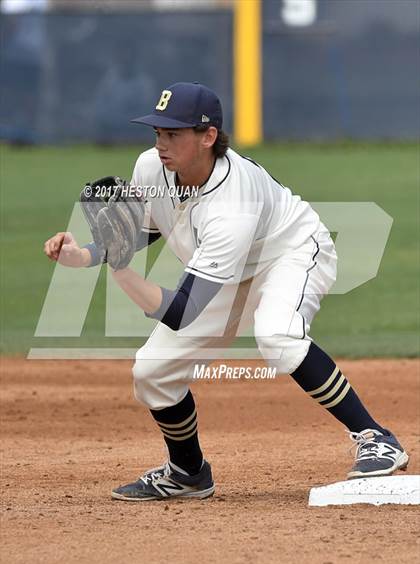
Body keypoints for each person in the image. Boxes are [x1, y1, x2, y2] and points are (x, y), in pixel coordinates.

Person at [44, 82, 409, 501]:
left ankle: (377, 438)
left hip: (287, 252)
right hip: (223, 269)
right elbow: (142, 229)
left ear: (208, 136)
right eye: (158, 133)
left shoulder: (232, 203)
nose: (161, 143)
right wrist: (84, 256)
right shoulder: (151, 167)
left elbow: (182, 311)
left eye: (173, 133)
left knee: (278, 335)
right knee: (152, 371)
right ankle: (187, 472)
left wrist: (120, 270)